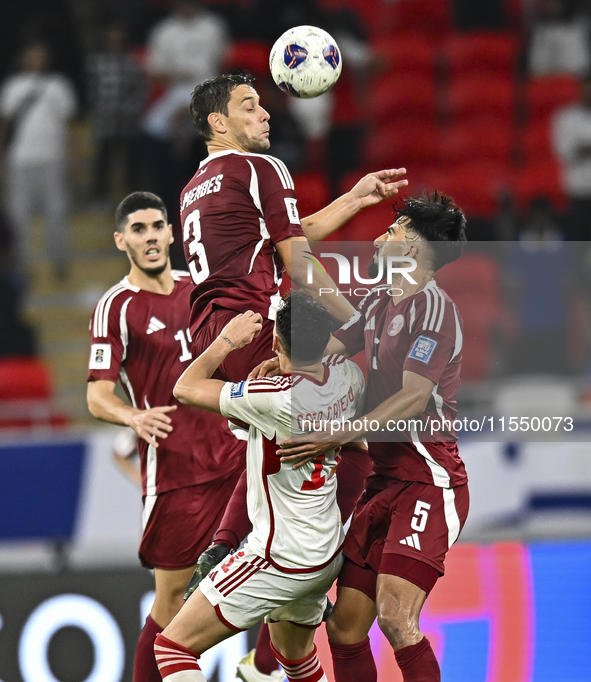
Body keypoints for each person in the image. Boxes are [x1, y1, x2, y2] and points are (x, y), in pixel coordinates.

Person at [182, 70, 406, 681]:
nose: (266, 114)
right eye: (249, 106)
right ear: (217, 123)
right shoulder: (263, 168)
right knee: (357, 428)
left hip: (216, 332)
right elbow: (297, 261)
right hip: (257, 326)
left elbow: (285, 234)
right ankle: (334, 560)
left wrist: (356, 199)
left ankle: (246, 566)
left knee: (281, 450)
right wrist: (356, 323)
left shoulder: (196, 186)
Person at [270, 192, 470, 682]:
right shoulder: (379, 300)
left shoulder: (434, 311)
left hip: (429, 479)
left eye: (395, 228)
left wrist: (335, 435)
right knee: (344, 629)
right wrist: (276, 372)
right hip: (383, 482)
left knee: (397, 619)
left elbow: (412, 399)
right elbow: (323, 354)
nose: (381, 236)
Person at [154, 290, 366, 682]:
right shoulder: (348, 377)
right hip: (324, 552)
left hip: (277, 556)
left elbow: (185, 388)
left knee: (171, 648)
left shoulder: (274, 397)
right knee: (296, 659)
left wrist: (228, 340)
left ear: (274, 341)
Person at [86, 192, 245, 682]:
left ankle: (266, 667)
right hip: (177, 472)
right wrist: (133, 418)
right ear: (121, 240)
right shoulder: (116, 308)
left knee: (280, 575)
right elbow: (97, 396)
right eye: (138, 229)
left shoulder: (201, 286)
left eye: (158, 226)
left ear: (173, 233)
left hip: (238, 458)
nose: (151, 236)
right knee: (173, 597)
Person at [0, 40, 77, 278]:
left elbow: (69, 125)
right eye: (32, 55)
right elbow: (5, 124)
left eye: (40, 55)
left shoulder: (59, 86)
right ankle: (19, 263)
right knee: (18, 214)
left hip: (52, 158)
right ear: (24, 59)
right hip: (20, 159)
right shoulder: (13, 86)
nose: (36, 60)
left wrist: (72, 156)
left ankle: (59, 260)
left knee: (57, 212)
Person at [86, 23, 145, 208]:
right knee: (103, 160)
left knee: (130, 163)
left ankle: (134, 198)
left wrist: (128, 110)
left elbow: (140, 90)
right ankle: (99, 198)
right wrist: (102, 111)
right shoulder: (95, 63)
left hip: (127, 122)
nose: (115, 41)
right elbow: (90, 91)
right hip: (105, 121)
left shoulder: (132, 62)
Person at [553, 73, 591, 240]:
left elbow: (579, 149)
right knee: (579, 240)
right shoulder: (565, 118)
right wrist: (580, 150)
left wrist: (583, 147)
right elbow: (563, 151)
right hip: (578, 189)